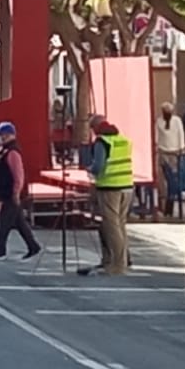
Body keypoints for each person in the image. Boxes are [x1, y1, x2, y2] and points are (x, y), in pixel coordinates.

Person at [81, 114, 135, 276]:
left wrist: (89, 169)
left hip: (110, 188)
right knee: (120, 224)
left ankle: (117, 265)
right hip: (127, 186)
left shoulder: (102, 142)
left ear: (95, 128)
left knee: (112, 227)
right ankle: (120, 259)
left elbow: (98, 166)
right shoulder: (123, 139)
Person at [0, 121, 42, 260]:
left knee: (4, 221)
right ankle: (33, 246)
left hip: (12, 194)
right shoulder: (6, 151)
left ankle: (0, 249)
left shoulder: (12, 152)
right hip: (8, 192)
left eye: (0, 134)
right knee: (19, 222)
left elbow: (18, 174)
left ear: (8, 135)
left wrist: (16, 192)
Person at [155, 102, 185, 219]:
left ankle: (170, 206)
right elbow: (157, 136)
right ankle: (167, 205)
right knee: (167, 180)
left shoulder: (177, 121)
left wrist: (181, 148)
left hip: (175, 153)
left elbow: (181, 134)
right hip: (164, 152)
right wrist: (157, 147)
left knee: (174, 180)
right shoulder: (159, 122)